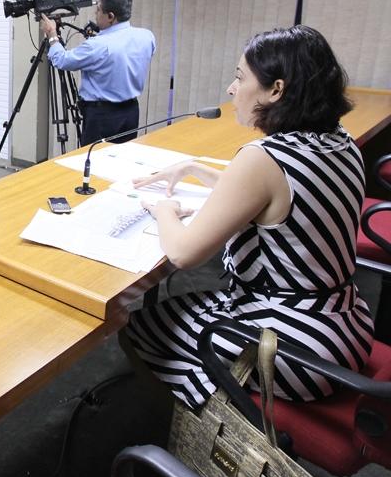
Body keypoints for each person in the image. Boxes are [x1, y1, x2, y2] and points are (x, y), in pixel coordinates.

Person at [122, 25, 372, 411]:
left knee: (139, 327)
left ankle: (213, 424)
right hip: (344, 324)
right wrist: (193, 167)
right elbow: (279, 193)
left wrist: (165, 211)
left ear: (276, 90)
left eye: (240, 78)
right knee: (185, 308)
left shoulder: (262, 158)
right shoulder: (338, 140)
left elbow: (183, 253)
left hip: (293, 345)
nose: (231, 89)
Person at [39, 0, 156, 145]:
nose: (95, 13)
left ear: (111, 16)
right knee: (123, 157)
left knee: (94, 158)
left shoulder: (98, 45)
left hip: (102, 117)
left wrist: (52, 34)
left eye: (99, 9)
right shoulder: (146, 36)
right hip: (131, 112)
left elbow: (61, 60)